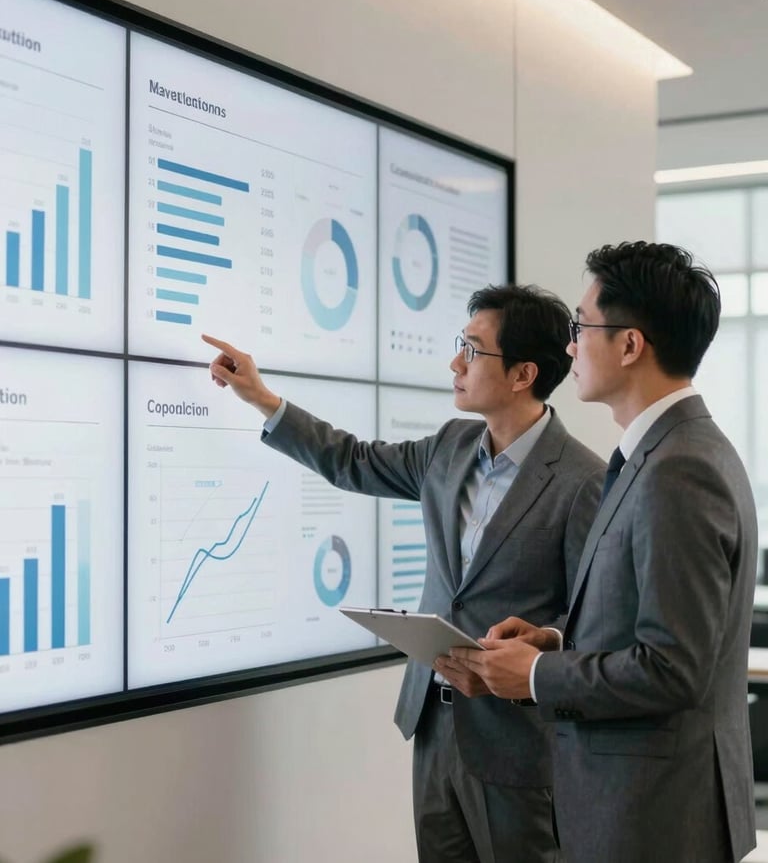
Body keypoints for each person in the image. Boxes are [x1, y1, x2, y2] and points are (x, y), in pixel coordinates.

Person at [202, 283, 605, 863]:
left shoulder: (582, 480)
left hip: (519, 745)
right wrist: (264, 399)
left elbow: (590, 616)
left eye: (472, 350)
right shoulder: (450, 446)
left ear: (522, 374)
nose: (455, 363)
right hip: (434, 725)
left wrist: (539, 652)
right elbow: (352, 460)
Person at [444, 242, 759, 863]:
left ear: (629, 345)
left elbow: (673, 668)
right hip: (640, 805)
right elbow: (653, 622)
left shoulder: (680, 468)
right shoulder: (662, 453)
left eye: (580, 327)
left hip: (653, 815)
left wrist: (534, 676)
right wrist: (554, 643)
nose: (569, 347)